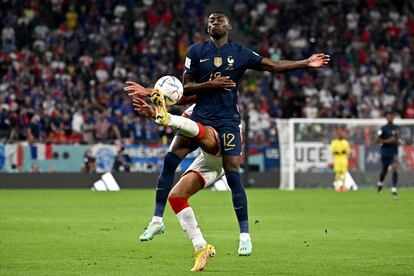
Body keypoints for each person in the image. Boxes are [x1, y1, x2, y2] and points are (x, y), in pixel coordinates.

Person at [124, 11, 330, 256]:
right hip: (200, 114)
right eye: (211, 20)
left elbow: (273, 66)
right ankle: (157, 220)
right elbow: (182, 89)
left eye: (219, 20)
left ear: (229, 25)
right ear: (207, 26)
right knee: (170, 159)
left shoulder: (240, 53)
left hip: (227, 121)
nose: (215, 23)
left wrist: (305, 63)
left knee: (233, 175)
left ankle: (245, 235)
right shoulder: (196, 52)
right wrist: (206, 85)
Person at [133, 98, 223, 271]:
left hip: (223, 156)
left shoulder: (225, 112)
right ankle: (201, 247)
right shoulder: (191, 112)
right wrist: (155, 113)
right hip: (206, 159)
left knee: (196, 131)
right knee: (176, 197)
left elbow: (192, 125)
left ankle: (245, 235)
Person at [376, 112, 399, 199]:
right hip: (384, 152)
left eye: (391, 116)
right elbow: (377, 140)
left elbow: (395, 139)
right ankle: (380, 183)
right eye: (388, 117)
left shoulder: (396, 128)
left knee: (394, 168)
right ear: (386, 118)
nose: (390, 118)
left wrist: (383, 140)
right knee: (384, 170)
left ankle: (394, 189)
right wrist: (383, 140)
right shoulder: (383, 128)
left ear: (393, 117)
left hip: (393, 152)